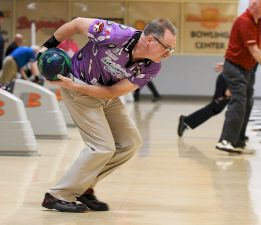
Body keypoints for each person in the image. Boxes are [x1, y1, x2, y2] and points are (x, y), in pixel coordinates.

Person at [39, 17, 177, 213]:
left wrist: (80, 87)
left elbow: (113, 93)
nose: (168, 54)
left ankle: (84, 187)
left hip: (104, 93)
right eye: (167, 48)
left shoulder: (151, 66)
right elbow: (77, 23)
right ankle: (57, 195)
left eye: (171, 50)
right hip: (78, 86)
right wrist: (46, 47)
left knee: (130, 142)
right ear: (149, 40)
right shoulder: (114, 33)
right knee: (102, 147)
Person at [215, 0, 261, 154]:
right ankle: (225, 140)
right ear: (254, 5)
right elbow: (254, 50)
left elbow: (247, 48)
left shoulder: (258, 21)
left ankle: (238, 141)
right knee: (239, 101)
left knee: (248, 102)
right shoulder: (244, 21)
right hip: (236, 68)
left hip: (247, 68)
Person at [177, 32, 261, 137]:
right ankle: (186, 121)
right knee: (216, 108)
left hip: (232, 81)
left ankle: (240, 135)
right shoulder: (253, 53)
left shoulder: (255, 54)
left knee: (245, 106)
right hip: (228, 81)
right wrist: (230, 88)